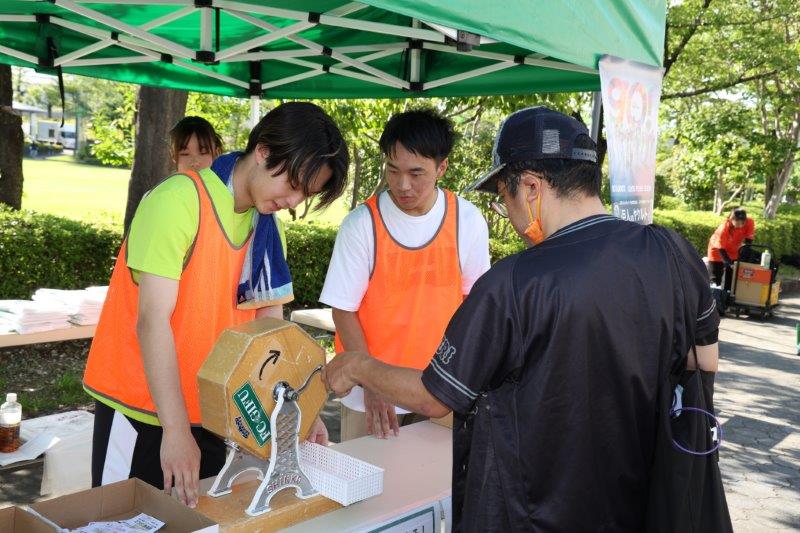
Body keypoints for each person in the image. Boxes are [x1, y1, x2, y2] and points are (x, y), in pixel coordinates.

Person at [323, 107, 720, 531]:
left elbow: (434, 398)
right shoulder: (674, 253)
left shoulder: (513, 284)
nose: (507, 214)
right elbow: (704, 362)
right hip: (654, 502)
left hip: (546, 509)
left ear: (530, 187)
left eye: (504, 197)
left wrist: (358, 365)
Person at [84, 102, 348, 508]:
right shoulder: (177, 200)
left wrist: (301, 416)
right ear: (263, 152)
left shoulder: (266, 228)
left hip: (213, 416)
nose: (294, 200)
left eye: (305, 194)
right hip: (141, 411)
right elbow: (152, 322)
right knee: (115, 521)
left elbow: (270, 338)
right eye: (294, 183)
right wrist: (175, 431)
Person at [319, 109, 490, 440]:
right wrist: (372, 382)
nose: (402, 185)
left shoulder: (467, 221)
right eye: (392, 170)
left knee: (437, 472)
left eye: (416, 173)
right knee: (368, 473)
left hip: (440, 390)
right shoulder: (361, 224)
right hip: (370, 398)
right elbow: (343, 309)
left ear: (442, 167)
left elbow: (475, 305)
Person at [707, 207, 756, 291]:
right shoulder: (724, 227)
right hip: (717, 251)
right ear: (731, 219)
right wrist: (729, 263)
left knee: (732, 278)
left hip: (734, 251)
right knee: (715, 279)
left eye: (742, 222)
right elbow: (720, 248)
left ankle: (727, 295)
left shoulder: (750, 222)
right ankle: (714, 295)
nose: (740, 225)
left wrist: (742, 257)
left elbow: (749, 241)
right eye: (738, 222)